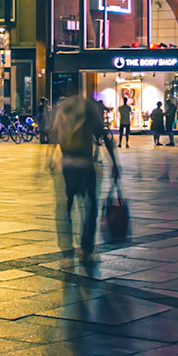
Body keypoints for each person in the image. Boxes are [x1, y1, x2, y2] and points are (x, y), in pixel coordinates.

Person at [51, 89, 118, 262]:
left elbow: (55, 136)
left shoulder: (63, 109)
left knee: (67, 205)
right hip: (85, 164)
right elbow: (102, 135)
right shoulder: (87, 107)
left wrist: (48, 159)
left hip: (68, 164)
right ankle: (86, 246)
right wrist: (114, 163)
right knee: (91, 204)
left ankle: (66, 245)